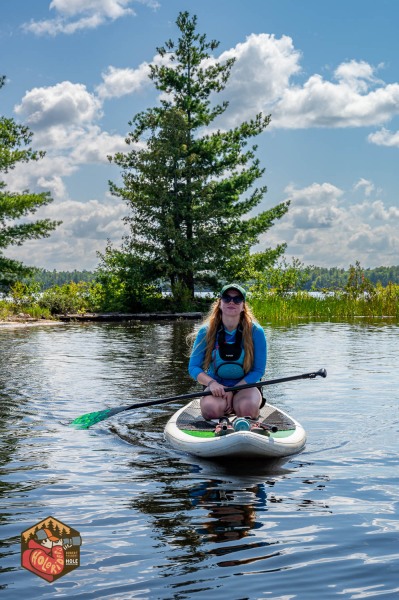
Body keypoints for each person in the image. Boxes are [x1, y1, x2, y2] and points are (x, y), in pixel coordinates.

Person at [188, 283, 267, 434]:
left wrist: (235, 389)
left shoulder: (256, 332)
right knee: (212, 410)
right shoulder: (206, 331)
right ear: (220, 304)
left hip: (246, 386)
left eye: (237, 299)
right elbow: (193, 368)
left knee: (247, 408)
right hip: (216, 387)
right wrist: (211, 384)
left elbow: (258, 370)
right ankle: (222, 422)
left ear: (243, 306)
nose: (232, 302)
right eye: (227, 298)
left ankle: (245, 419)